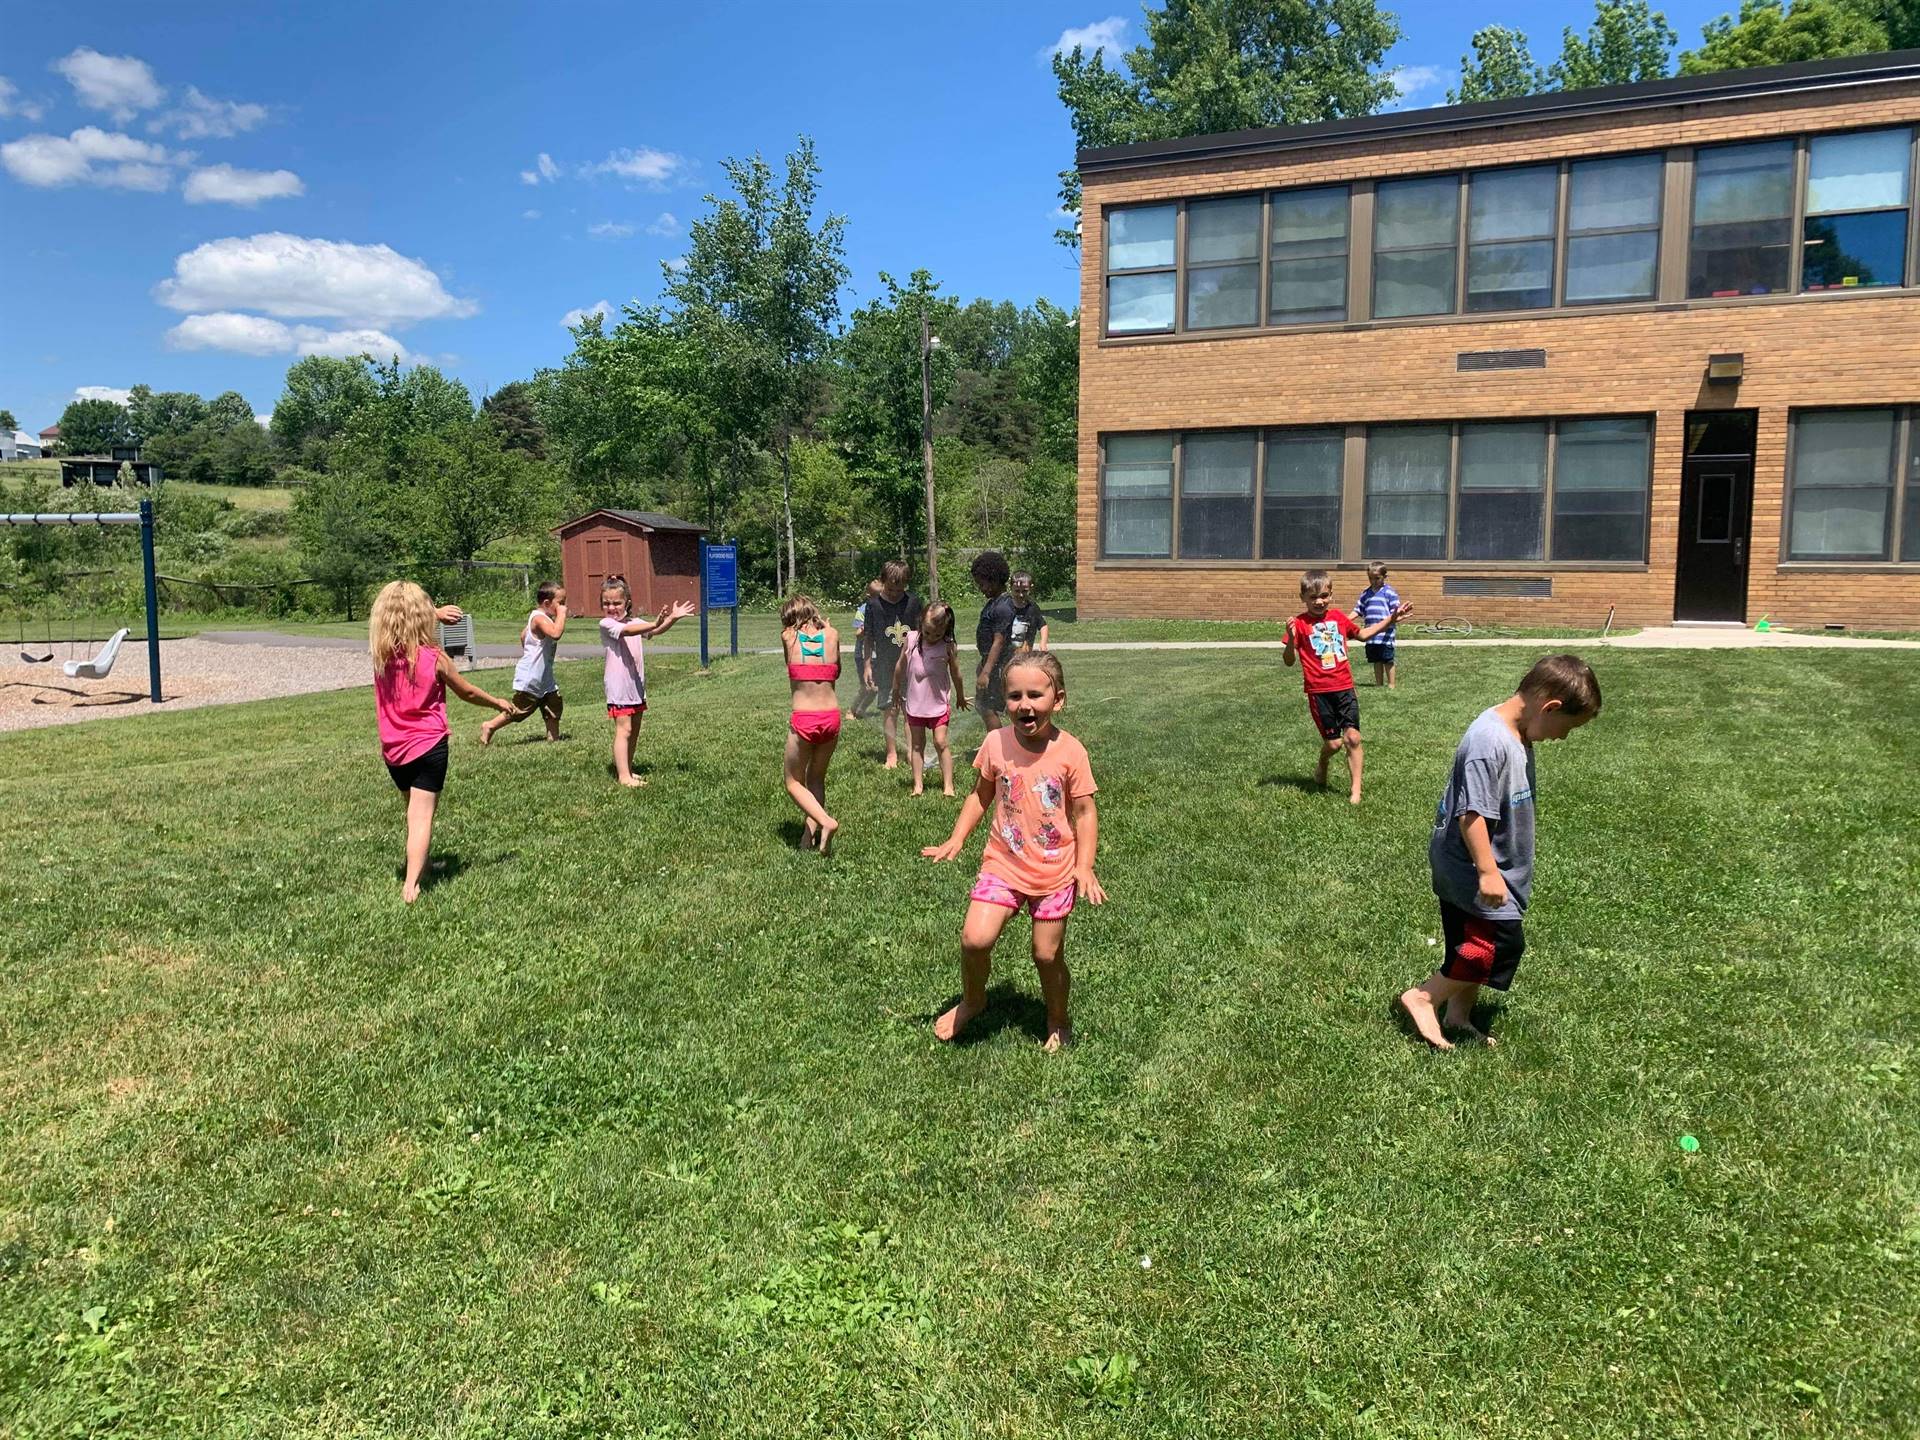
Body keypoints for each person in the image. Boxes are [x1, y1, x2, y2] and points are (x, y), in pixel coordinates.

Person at [1399, 655, 1602, 1049]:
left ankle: (1457, 1015)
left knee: (1468, 939)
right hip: (1471, 865)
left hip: (1483, 862)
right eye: (1568, 728)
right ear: (1551, 707)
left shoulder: (1518, 731)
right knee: (1498, 945)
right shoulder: (1489, 741)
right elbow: (1471, 815)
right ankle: (1424, 997)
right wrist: (1489, 872)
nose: (1563, 738)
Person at [922, 651, 1105, 1051]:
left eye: (1035, 695)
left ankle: (1058, 1018)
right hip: (1003, 862)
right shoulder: (995, 743)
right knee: (974, 939)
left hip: (1055, 870)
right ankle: (974, 999)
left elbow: (1085, 812)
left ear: (1058, 700)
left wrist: (1085, 867)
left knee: (1046, 954)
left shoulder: (1071, 752)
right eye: (1014, 695)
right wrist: (957, 838)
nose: (1024, 705)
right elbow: (980, 796)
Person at [367, 580, 514, 903]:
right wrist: (497, 702)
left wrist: (431, 612)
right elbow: (468, 692)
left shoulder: (380, 656)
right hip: (429, 746)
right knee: (421, 817)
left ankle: (425, 865)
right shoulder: (434, 657)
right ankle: (411, 886)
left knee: (412, 812)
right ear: (422, 616)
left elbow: (396, 617)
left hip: (393, 750)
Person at [1282, 568, 1412, 805]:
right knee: (1333, 743)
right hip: (1318, 692)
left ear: (1331, 595)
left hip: (1344, 688)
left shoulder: (1339, 618)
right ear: (1303, 598)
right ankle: (1323, 763)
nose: (1319, 601)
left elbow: (1363, 634)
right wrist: (1291, 639)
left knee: (1352, 738)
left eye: (1324, 596)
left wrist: (1390, 619)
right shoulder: (1299, 624)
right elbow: (1289, 661)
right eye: (1313, 597)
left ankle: (1355, 791)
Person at [599, 575, 696, 789]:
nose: (611, 607)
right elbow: (629, 631)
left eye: (616, 602)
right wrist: (653, 622)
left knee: (634, 730)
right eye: (606, 603)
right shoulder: (606, 623)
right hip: (619, 687)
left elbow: (654, 630)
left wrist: (671, 618)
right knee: (623, 730)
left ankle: (628, 769)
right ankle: (623, 777)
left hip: (636, 687)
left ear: (627, 603)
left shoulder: (636, 622)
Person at [781, 594, 842, 853]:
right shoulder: (832, 635)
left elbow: (791, 665)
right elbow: (836, 671)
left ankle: (826, 822)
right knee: (816, 779)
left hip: (804, 719)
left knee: (793, 782)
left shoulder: (788, 637)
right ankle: (808, 839)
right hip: (831, 718)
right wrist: (826, 630)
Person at [893, 600, 970, 797]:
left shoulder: (947, 645)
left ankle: (948, 786)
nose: (932, 637)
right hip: (915, 704)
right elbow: (900, 666)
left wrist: (960, 696)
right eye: (927, 633)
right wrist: (895, 689)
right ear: (920, 624)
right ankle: (918, 785)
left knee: (941, 742)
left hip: (938, 704)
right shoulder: (910, 639)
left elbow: (956, 673)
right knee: (917, 745)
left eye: (938, 634)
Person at [480, 581, 568, 745]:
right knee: (521, 709)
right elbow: (556, 634)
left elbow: (523, 635)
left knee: (553, 705)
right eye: (561, 603)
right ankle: (490, 726)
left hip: (544, 675)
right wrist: (562, 615)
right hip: (532, 676)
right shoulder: (539, 619)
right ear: (547, 603)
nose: (564, 606)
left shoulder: (541, 618)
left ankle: (553, 739)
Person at [862, 560, 924, 768]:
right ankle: (891, 754)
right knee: (890, 709)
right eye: (890, 588)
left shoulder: (914, 603)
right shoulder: (873, 605)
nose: (896, 593)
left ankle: (910, 751)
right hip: (885, 666)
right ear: (882, 582)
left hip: (910, 665)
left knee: (910, 710)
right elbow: (868, 637)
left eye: (900, 588)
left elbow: (923, 633)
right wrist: (868, 665)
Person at [971, 550, 1017, 733]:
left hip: (998, 667)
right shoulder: (995, 602)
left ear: (994, 579)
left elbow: (998, 641)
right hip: (993, 664)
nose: (981, 588)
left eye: (982, 583)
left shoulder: (1002, 607)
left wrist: (986, 672)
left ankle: (998, 748)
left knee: (987, 707)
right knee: (984, 705)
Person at [1353, 562, 1402, 690]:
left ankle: (1391, 684)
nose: (1373, 581)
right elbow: (1358, 610)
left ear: (1384, 577)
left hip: (1386, 634)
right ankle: (1379, 684)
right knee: (1376, 660)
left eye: (1377, 578)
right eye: (1371, 578)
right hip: (1371, 634)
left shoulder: (1389, 593)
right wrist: (1345, 619)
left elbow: (1395, 612)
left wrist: (1397, 617)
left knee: (1388, 659)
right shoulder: (1365, 594)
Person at [849, 580, 882, 720]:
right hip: (862, 654)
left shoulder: (882, 610)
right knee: (866, 687)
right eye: (877, 597)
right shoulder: (862, 610)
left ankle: (861, 710)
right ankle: (851, 711)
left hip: (877, 655)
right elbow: (857, 633)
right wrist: (865, 629)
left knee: (875, 688)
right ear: (869, 596)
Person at [1007, 570, 1050, 654]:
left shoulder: (1032, 608)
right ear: (1011, 587)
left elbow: (1043, 626)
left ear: (1031, 588)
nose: (1021, 595)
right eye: (1017, 591)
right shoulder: (1006, 607)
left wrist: (1043, 643)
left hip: (1025, 655)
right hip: (1006, 655)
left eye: (1024, 591)